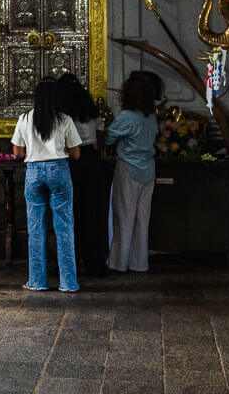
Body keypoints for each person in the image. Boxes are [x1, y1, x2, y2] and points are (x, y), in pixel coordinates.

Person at [11, 77, 82, 292]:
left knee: (35, 229)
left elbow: (17, 152)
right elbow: (76, 153)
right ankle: (68, 283)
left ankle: (37, 281)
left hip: (33, 172)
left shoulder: (24, 118)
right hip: (59, 171)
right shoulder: (64, 120)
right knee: (64, 228)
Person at [106, 74, 161, 273]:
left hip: (128, 169)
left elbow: (108, 139)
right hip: (148, 170)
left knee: (124, 217)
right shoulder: (152, 116)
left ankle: (119, 263)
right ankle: (139, 263)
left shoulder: (126, 117)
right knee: (142, 219)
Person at [57, 73, 108, 278]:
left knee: (69, 215)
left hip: (70, 161)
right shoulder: (91, 110)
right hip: (92, 162)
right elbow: (101, 136)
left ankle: (71, 264)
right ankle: (95, 264)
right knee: (91, 214)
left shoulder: (62, 114)